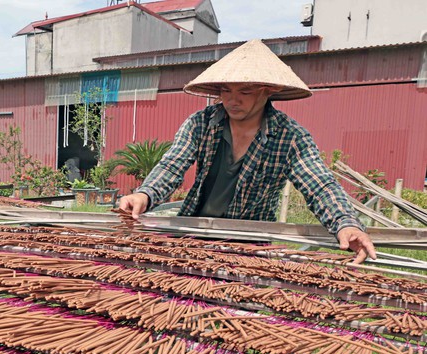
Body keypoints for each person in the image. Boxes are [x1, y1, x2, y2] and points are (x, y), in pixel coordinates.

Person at [119, 40, 376, 264]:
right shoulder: (201, 123)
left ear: (268, 90)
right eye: (226, 91)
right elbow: (172, 165)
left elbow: (320, 185)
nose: (232, 100)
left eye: (245, 91)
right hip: (193, 233)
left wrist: (346, 224)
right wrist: (145, 194)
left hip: (250, 244)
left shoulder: (290, 137)